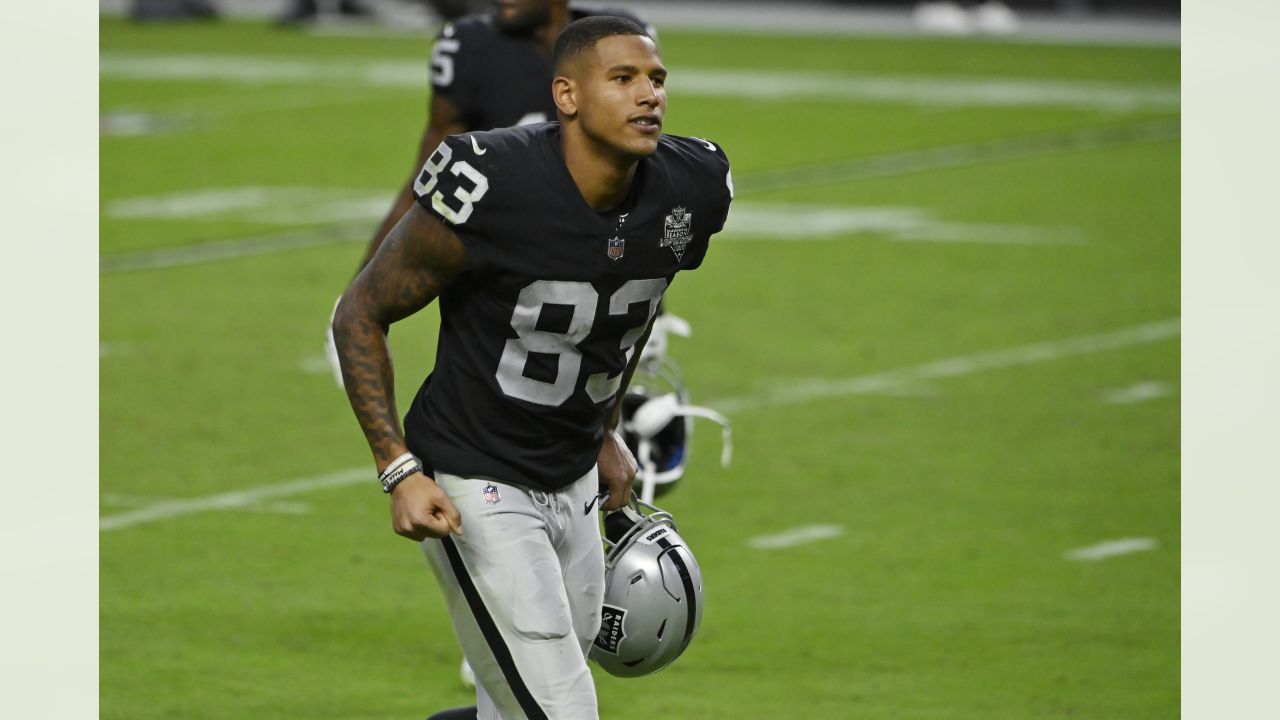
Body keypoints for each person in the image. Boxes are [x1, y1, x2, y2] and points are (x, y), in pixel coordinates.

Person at [331, 15, 732, 720]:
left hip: (571, 472)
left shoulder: (689, 186)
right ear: (567, 96)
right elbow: (358, 315)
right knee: (562, 709)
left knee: (514, 703)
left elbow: (625, 315)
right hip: (472, 478)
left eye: (657, 79)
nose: (649, 96)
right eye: (624, 78)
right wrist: (398, 465)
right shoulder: (491, 182)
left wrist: (606, 428)